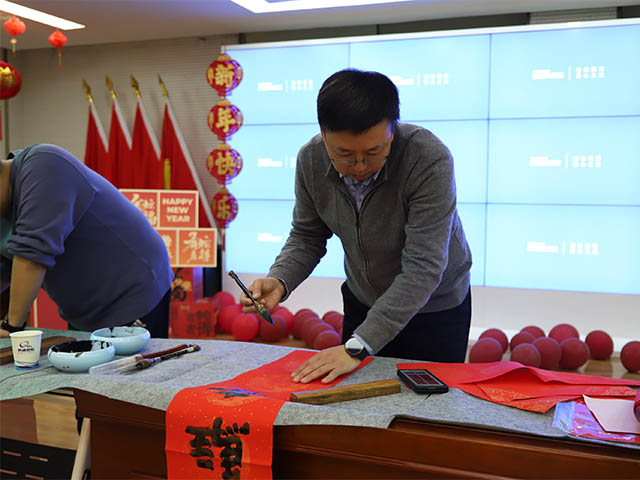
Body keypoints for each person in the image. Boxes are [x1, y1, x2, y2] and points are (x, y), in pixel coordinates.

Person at [240, 68, 472, 384]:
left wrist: (358, 346)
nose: (360, 166)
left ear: (393, 130)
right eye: (344, 154)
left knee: (429, 405)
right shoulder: (311, 159)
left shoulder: (427, 158)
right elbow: (308, 235)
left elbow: (423, 267)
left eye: (374, 152)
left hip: (435, 310)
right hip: (364, 302)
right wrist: (280, 279)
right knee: (354, 398)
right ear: (323, 135)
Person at [0, 143, 173, 338]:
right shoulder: (4, 207)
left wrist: (12, 327)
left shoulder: (44, 165)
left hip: (131, 292)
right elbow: (4, 268)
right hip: (86, 310)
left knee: (131, 358)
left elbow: (32, 254)